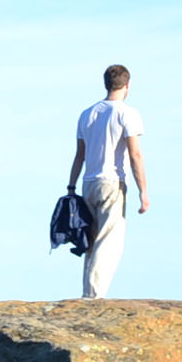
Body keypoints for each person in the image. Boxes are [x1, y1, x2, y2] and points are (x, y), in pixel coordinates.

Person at [64, 65, 150, 298]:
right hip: (113, 182)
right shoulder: (127, 113)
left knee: (92, 240)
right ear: (127, 85)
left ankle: (88, 292)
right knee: (109, 240)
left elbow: (79, 155)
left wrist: (71, 187)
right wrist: (143, 191)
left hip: (89, 182)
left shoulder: (87, 114)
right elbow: (135, 154)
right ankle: (94, 295)